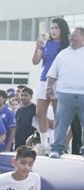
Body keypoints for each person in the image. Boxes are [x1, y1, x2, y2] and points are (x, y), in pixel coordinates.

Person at [33, 18, 70, 155]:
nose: (53, 31)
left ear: (62, 30)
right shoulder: (46, 43)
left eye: (56, 28)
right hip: (44, 80)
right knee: (40, 113)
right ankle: (44, 144)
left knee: (58, 114)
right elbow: (35, 61)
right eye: (52, 28)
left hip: (60, 82)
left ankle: (57, 144)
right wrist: (38, 47)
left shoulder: (67, 45)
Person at [48, 27, 84, 159]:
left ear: (83, 37)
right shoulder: (62, 54)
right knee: (61, 123)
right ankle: (57, 149)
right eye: (70, 36)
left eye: (75, 36)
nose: (71, 38)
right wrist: (48, 88)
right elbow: (52, 73)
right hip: (65, 94)